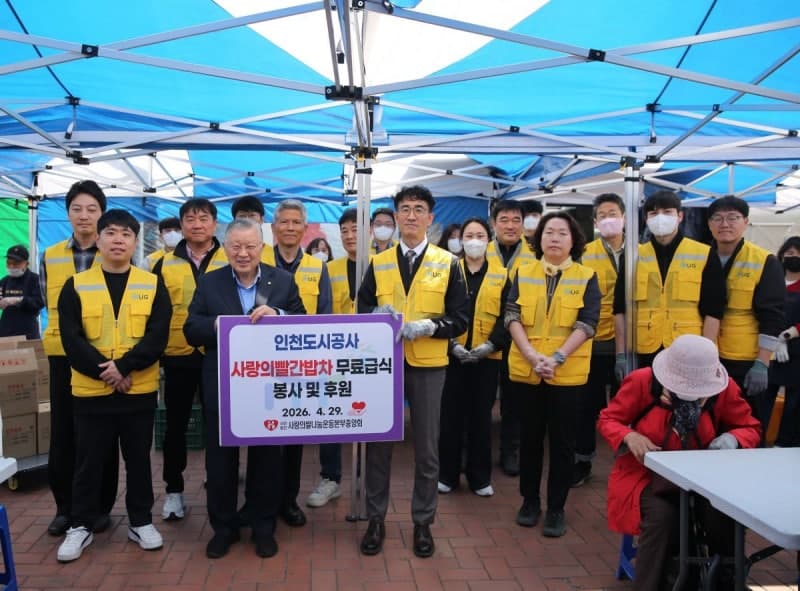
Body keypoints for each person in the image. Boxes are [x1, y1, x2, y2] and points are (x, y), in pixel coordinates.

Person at [597, 334, 761, 591]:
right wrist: (630, 436)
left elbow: (750, 427)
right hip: (647, 476)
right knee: (663, 518)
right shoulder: (642, 381)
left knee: (724, 514)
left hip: (705, 478)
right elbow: (608, 419)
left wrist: (733, 438)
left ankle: (726, 577)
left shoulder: (725, 388)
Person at [357, 185, 468, 558]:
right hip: (383, 365)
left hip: (428, 366)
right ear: (395, 216)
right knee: (378, 446)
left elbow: (461, 319)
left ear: (430, 218)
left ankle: (423, 522)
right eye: (404, 208)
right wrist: (375, 315)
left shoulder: (448, 263)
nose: (411, 215)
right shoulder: (380, 263)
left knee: (427, 448)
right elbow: (362, 309)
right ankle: (375, 519)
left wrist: (430, 326)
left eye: (419, 209)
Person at [184, 218, 306, 559]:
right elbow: (191, 329)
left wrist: (279, 314)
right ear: (225, 248)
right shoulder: (209, 283)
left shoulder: (282, 281)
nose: (243, 253)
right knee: (220, 462)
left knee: (267, 459)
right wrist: (218, 325)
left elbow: (303, 320)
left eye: (250, 246)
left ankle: (263, 525)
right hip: (222, 384)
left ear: (262, 248)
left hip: (268, 386)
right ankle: (224, 528)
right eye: (235, 246)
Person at [55, 209, 171, 562]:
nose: (118, 240)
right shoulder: (76, 285)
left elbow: (157, 336)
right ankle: (81, 524)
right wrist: (106, 372)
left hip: (138, 390)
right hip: (91, 393)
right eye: (111, 233)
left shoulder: (152, 284)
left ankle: (141, 521)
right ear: (98, 239)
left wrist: (124, 366)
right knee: (88, 462)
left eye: (125, 234)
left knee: (138, 461)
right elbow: (71, 339)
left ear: (135, 242)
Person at [506, 211, 600, 537]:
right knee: (530, 440)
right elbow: (511, 315)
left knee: (562, 443)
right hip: (529, 369)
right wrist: (532, 355)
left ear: (574, 240)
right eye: (548, 232)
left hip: (567, 374)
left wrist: (557, 358)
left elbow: (588, 323)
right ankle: (529, 502)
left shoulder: (587, 276)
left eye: (562, 233)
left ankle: (557, 508)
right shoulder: (523, 272)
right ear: (539, 238)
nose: (555, 238)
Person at [41, 179, 118, 537]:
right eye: (77, 209)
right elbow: (48, 303)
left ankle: (100, 507)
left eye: (91, 209)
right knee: (63, 435)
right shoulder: (51, 255)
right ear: (68, 213)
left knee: (101, 433)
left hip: (102, 357)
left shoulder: (113, 252)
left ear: (101, 213)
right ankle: (65, 509)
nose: (84, 216)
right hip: (62, 356)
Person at [152, 199, 228, 521]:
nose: (197, 224)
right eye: (190, 219)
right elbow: (155, 314)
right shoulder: (162, 264)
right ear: (181, 225)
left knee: (218, 424)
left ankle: (218, 483)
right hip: (178, 356)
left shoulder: (231, 257)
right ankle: (174, 490)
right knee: (176, 426)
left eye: (203, 218)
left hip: (221, 355)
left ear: (214, 223)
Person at [262, 199, 333, 528]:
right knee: (263, 438)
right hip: (262, 365)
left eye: (296, 223)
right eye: (284, 222)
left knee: (293, 435)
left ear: (305, 229)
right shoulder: (257, 259)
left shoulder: (318, 268)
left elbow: (325, 316)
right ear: (273, 227)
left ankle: (288, 501)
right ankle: (264, 501)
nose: (290, 228)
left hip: (301, 367)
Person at [613, 190, 725, 377]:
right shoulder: (633, 256)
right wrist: (621, 354)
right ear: (646, 219)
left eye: (667, 212)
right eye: (653, 213)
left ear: (680, 216)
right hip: (645, 349)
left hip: (689, 349)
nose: (660, 218)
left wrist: (706, 354)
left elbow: (714, 311)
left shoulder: (703, 254)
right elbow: (619, 308)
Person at [438, 217, 507, 497]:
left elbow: (508, 315)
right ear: (460, 240)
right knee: (450, 417)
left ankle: (479, 478)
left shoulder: (502, 275)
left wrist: (491, 345)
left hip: (486, 359)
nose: (474, 241)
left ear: (489, 240)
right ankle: (447, 475)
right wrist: (451, 344)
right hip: (451, 357)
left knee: (481, 418)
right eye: (469, 235)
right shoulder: (447, 271)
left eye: (480, 235)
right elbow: (438, 310)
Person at [706, 196, 784, 426]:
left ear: (746, 222)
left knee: (747, 424)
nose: (725, 224)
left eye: (733, 218)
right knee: (711, 422)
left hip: (746, 359)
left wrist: (762, 362)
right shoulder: (700, 256)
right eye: (718, 218)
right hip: (709, 355)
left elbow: (772, 315)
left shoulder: (764, 261)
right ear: (709, 224)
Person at [304, 208, 359, 509]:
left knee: (370, 417)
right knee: (331, 416)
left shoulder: (383, 265)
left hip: (370, 357)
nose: (350, 236)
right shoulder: (329, 269)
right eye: (345, 230)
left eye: (356, 229)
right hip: (334, 355)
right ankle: (331, 478)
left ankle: (366, 479)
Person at [573, 193, 624, 487]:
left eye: (613, 213)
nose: (608, 220)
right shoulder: (585, 253)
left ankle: (627, 461)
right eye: (602, 215)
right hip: (593, 342)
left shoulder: (642, 252)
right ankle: (583, 461)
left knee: (628, 405)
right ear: (594, 222)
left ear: (624, 217)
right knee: (586, 406)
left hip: (631, 344)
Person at [487, 200, 537, 477]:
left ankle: (510, 451)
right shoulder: (480, 252)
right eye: (504, 220)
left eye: (516, 220)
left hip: (520, 338)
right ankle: (475, 451)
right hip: (484, 337)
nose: (510, 225)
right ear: (493, 224)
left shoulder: (535, 256)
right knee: (480, 399)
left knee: (514, 401)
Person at [762, 236, 800, 446]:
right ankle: (758, 440)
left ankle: (785, 444)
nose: (794, 258)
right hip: (768, 349)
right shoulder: (773, 281)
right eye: (790, 253)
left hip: (795, 353)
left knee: (793, 404)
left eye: (799, 255)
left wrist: (788, 335)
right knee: (764, 398)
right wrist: (774, 338)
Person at [0, 245, 44, 339]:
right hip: (5, 332)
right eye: (9, 263)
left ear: (26, 263)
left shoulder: (35, 280)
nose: (11, 266)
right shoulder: (4, 281)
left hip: (28, 332)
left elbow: (40, 302)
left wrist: (18, 300)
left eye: (16, 263)